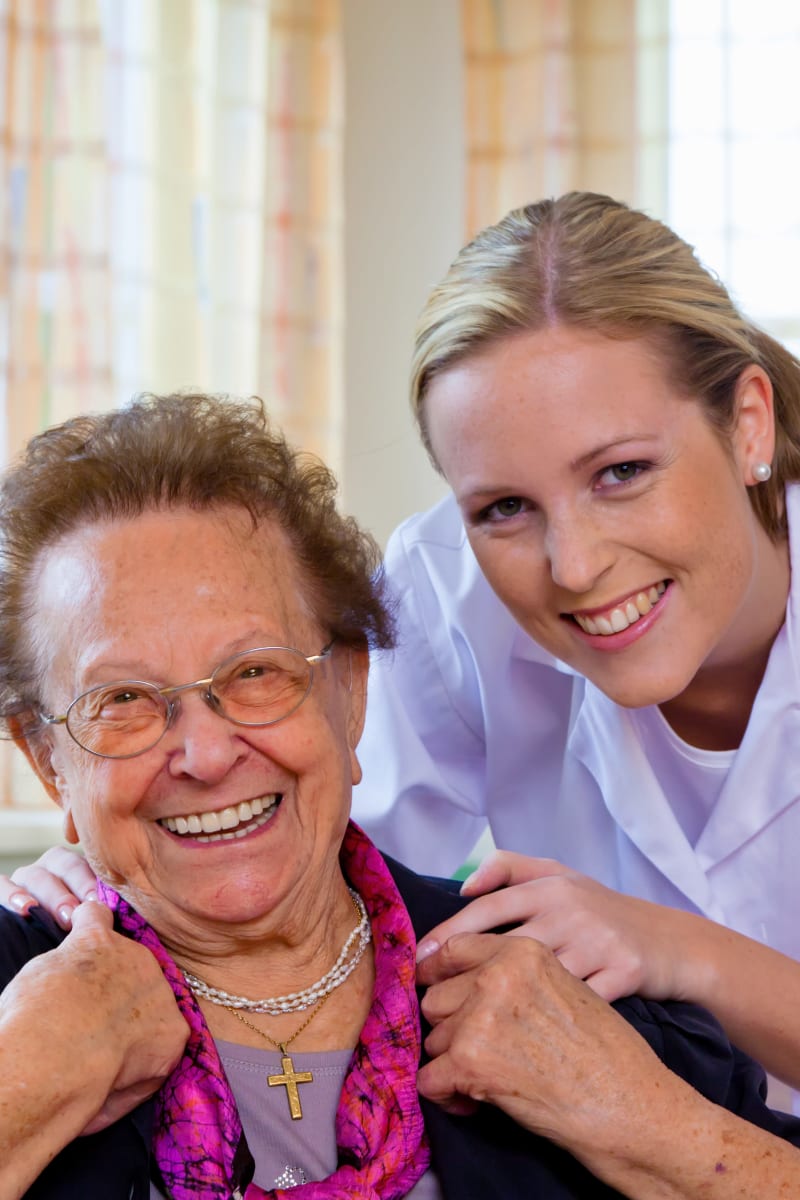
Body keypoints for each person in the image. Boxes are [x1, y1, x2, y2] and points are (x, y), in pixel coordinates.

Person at [3, 393, 800, 1200]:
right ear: (48, 762)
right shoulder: (17, 1001)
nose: (205, 755)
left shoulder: (561, 990)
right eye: (124, 702)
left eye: (254, 674)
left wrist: (642, 1121)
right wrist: (22, 1085)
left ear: (351, 695)